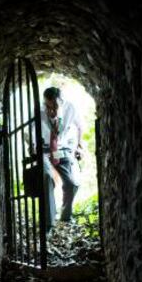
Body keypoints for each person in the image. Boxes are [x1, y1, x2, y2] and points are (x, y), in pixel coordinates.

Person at [37, 87, 84, 234]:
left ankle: (65, 217)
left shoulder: (70, 108)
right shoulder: (39, 111)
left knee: (72, 184)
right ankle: (49, 223)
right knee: (47, 181)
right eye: (48, 106)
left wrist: (79, 145)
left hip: (60, 149)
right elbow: (31, 131)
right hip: (43, 150)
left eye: (54, 106)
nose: (51, 110)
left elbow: (79, 126)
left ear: (61, 102)